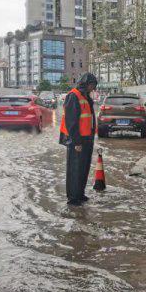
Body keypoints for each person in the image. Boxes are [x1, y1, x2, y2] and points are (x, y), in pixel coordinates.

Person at [59, 73, 98, 206]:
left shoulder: (85, 96)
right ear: (86, 83)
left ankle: (80, 194)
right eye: (92, 85)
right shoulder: (73, 95)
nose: (93, 88)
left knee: (84, 168)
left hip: (87, 138)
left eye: (94, 86)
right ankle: (73, 198)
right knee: (75, 169)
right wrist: (76, 142)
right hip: (77, 140)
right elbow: (71, 122)